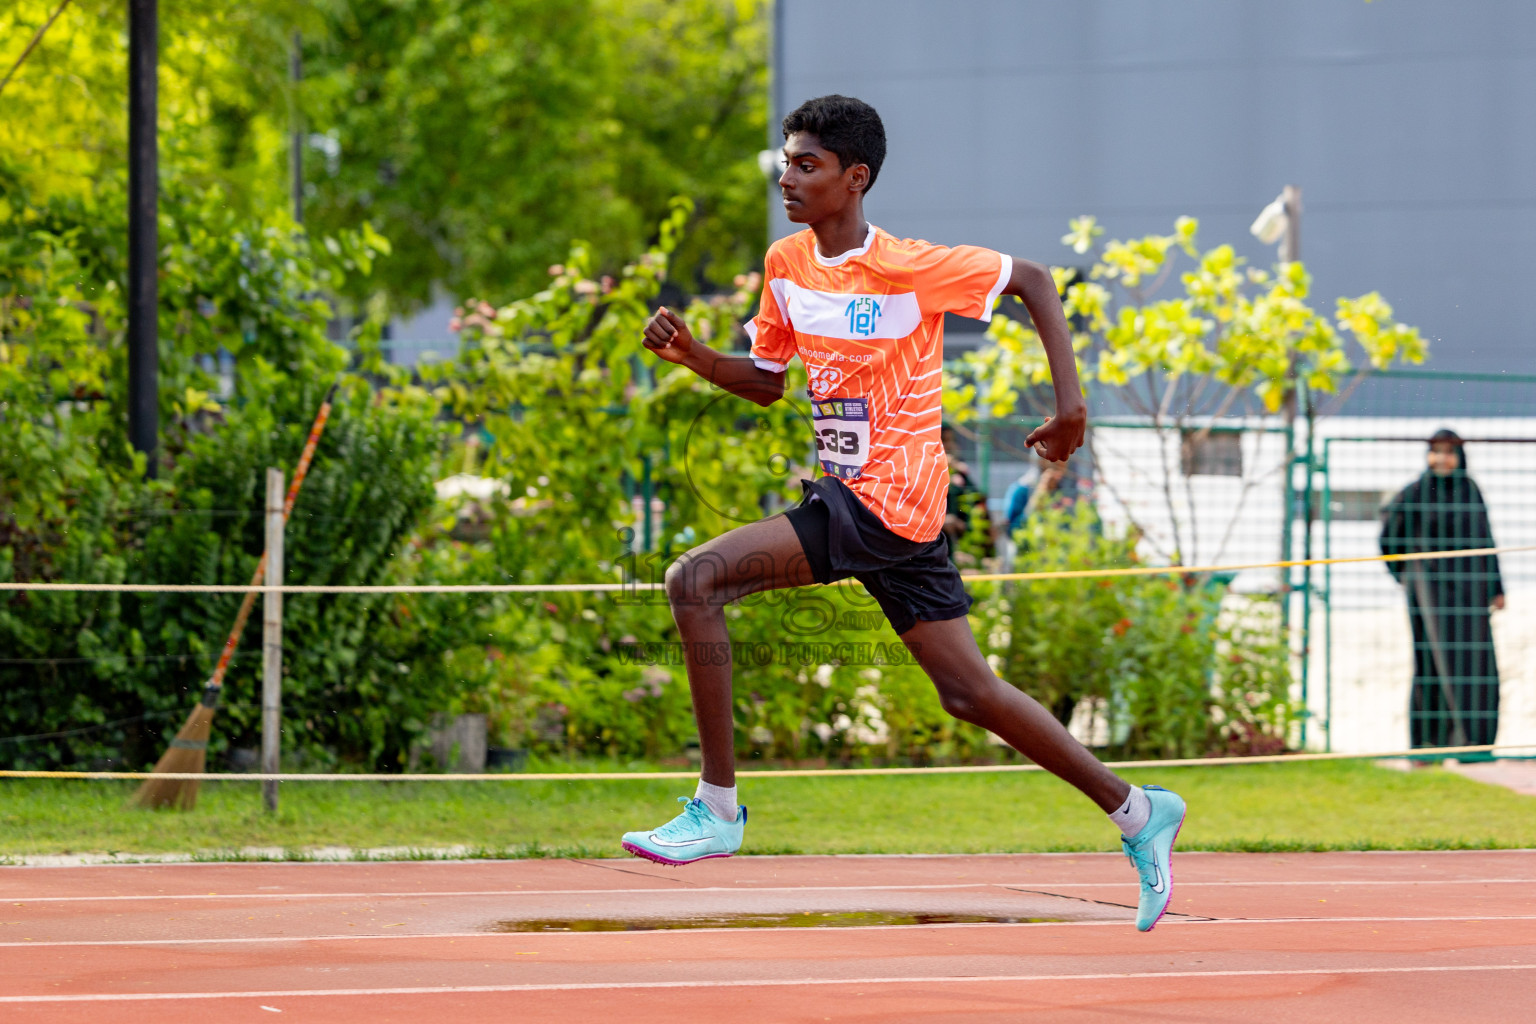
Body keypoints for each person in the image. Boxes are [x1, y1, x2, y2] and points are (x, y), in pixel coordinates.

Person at [627, 95, 1184, 931]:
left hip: (891, 503)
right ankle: (1139, 810)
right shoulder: (787, 264)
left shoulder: (912, 266)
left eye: (806, 164)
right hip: (867, 507)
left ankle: (718, 810)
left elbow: (1033, 280)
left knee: (694, 580)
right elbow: (768, 379)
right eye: (785, 161)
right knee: (971, 694)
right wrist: (697, 357)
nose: (788, 176)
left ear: (855, 180)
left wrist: (1072, 409)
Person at [1379, 429, 1505, 754]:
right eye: (1436, 451)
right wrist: (1409, 577)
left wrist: (1496, 587)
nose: (1442, 458)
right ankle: (1428, 743)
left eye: (1449, 451)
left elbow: (1485, 538)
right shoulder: (1414, 493)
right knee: (1431, 662)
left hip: (1471, 593)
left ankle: (1472, 744)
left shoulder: (1470, 490)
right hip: (1429, 593)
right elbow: (1390, 539)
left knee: (1474, 663)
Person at [940, 424, 990, 564]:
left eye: (951, 440)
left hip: (959, 546)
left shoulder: (958, 472)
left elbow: (977, 500)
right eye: (944, 441)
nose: (949, 446)